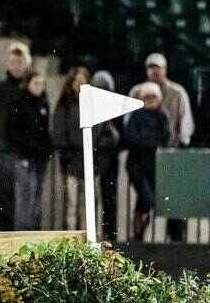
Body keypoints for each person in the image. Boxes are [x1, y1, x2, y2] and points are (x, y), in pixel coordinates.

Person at [128, 53, 194, 240]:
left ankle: (176, 241)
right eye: (151, 67)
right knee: (145, 198)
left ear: (165, 69)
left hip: (170, 157)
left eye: (158, 67)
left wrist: (175, 149)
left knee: (173, 199)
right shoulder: (136, 92)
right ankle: (139, 238)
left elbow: (185, 127)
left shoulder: (177, 92)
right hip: (142, 159)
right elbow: (128, 127)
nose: (154, 70)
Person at [0, 41, 32, 230]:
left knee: (26, 198)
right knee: (5, 196)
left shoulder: (31, 88)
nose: (16, 66)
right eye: (13, 62)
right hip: (4, 149)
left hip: (26, 150)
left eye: (20, 62)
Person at [124, 82, 171, 240]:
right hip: (137, 165)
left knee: (144, 201)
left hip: (155, 166)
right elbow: (130, 137)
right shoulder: (136, 115)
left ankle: (139, 234)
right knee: (147, 199)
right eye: (147, 97)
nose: (150, 100)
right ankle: (138, 231)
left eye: (153, 97)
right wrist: (150, 142)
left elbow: (165, 138)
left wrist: (147, 142)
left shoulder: (162, 116)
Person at [7, 71, 53, 231]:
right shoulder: (18, 103)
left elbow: (45, 131)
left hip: (40, 158)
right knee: (24, 197)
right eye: (35, 83)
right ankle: (23, 232)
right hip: (23, 156)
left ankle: (35, 231)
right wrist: (27, 147)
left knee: (36, 197)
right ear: (28, 84)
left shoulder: (44, 103)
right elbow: (13, 131)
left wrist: (47, 149)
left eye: (41, 84)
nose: (39, 87)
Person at [51, 66, 91, 230]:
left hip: (88, 162)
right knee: (72, 204)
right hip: (72, 162)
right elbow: (59, 133)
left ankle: (87, 238)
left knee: (88, 206)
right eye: (77, 81)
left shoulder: (91, 103)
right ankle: (73, 237)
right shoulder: (64, 104)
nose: (80, 85)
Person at [90, 70, 121, 242]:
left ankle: (109, 236)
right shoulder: (90, 106)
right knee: (95, 201)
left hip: (108, 160)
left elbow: (116, 136)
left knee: (109, 201)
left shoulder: (115, 107)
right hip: (96, 159)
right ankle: (97, 235)